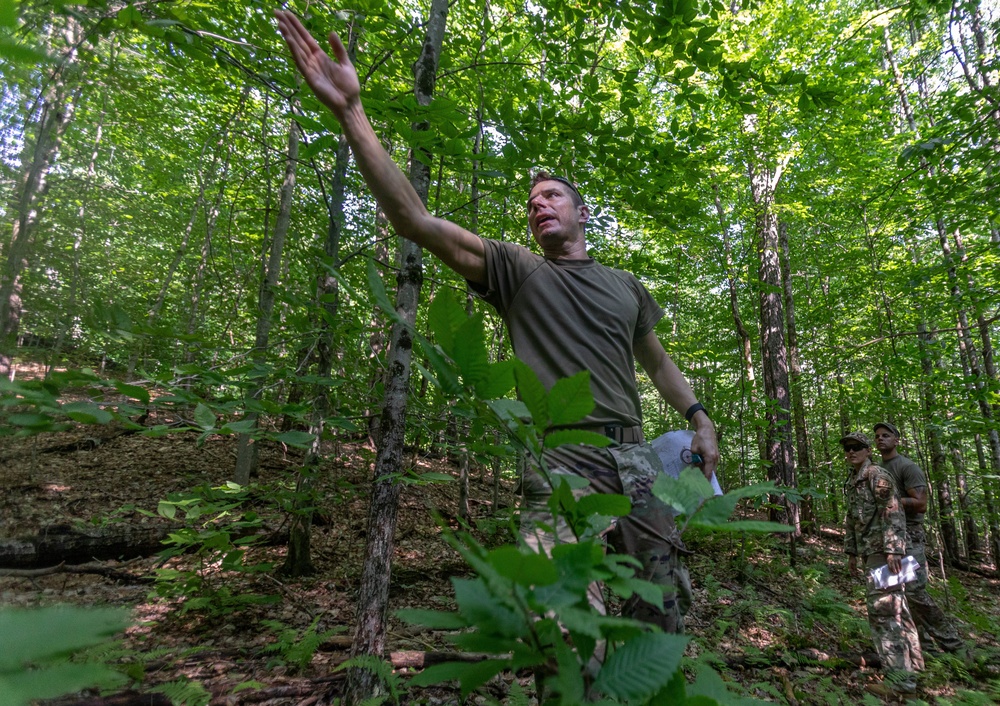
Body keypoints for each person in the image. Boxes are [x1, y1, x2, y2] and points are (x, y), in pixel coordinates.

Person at [275, 11, 719, 634]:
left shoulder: (626, 286)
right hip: (563, 454)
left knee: (659, 612)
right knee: (560, 620)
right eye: (532, 202)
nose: (538, 204)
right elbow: (415, 221)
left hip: (639, 457)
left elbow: (658, 363)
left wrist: (698, 418)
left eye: (552, 196)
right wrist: (352, 113)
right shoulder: (516, 271)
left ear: (583, 211)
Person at [841, 431, 923, 695]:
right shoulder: (854, 480)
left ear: (867, 450)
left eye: (857, 447)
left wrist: (894, 550)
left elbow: (894, 510)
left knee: (884, 610)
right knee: (898, 607)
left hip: (884, 552)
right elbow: (853, 519)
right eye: (847, 448)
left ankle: (900, 680)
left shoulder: (877, 475)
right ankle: (914, 668)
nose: (851, 452)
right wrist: (851, 552)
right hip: (870, 551)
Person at [873, 422, 964, 653]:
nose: (880, 439)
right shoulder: (878, 469)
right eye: (877, 436)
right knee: (895, 593)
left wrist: (890, 502)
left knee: (914, 591)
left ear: (896, 440)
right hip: (890, 538)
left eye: (886, 435)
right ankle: (924, 649)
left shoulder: (907, 467)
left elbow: (921, 504)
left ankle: (954, 645)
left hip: (910, 537)